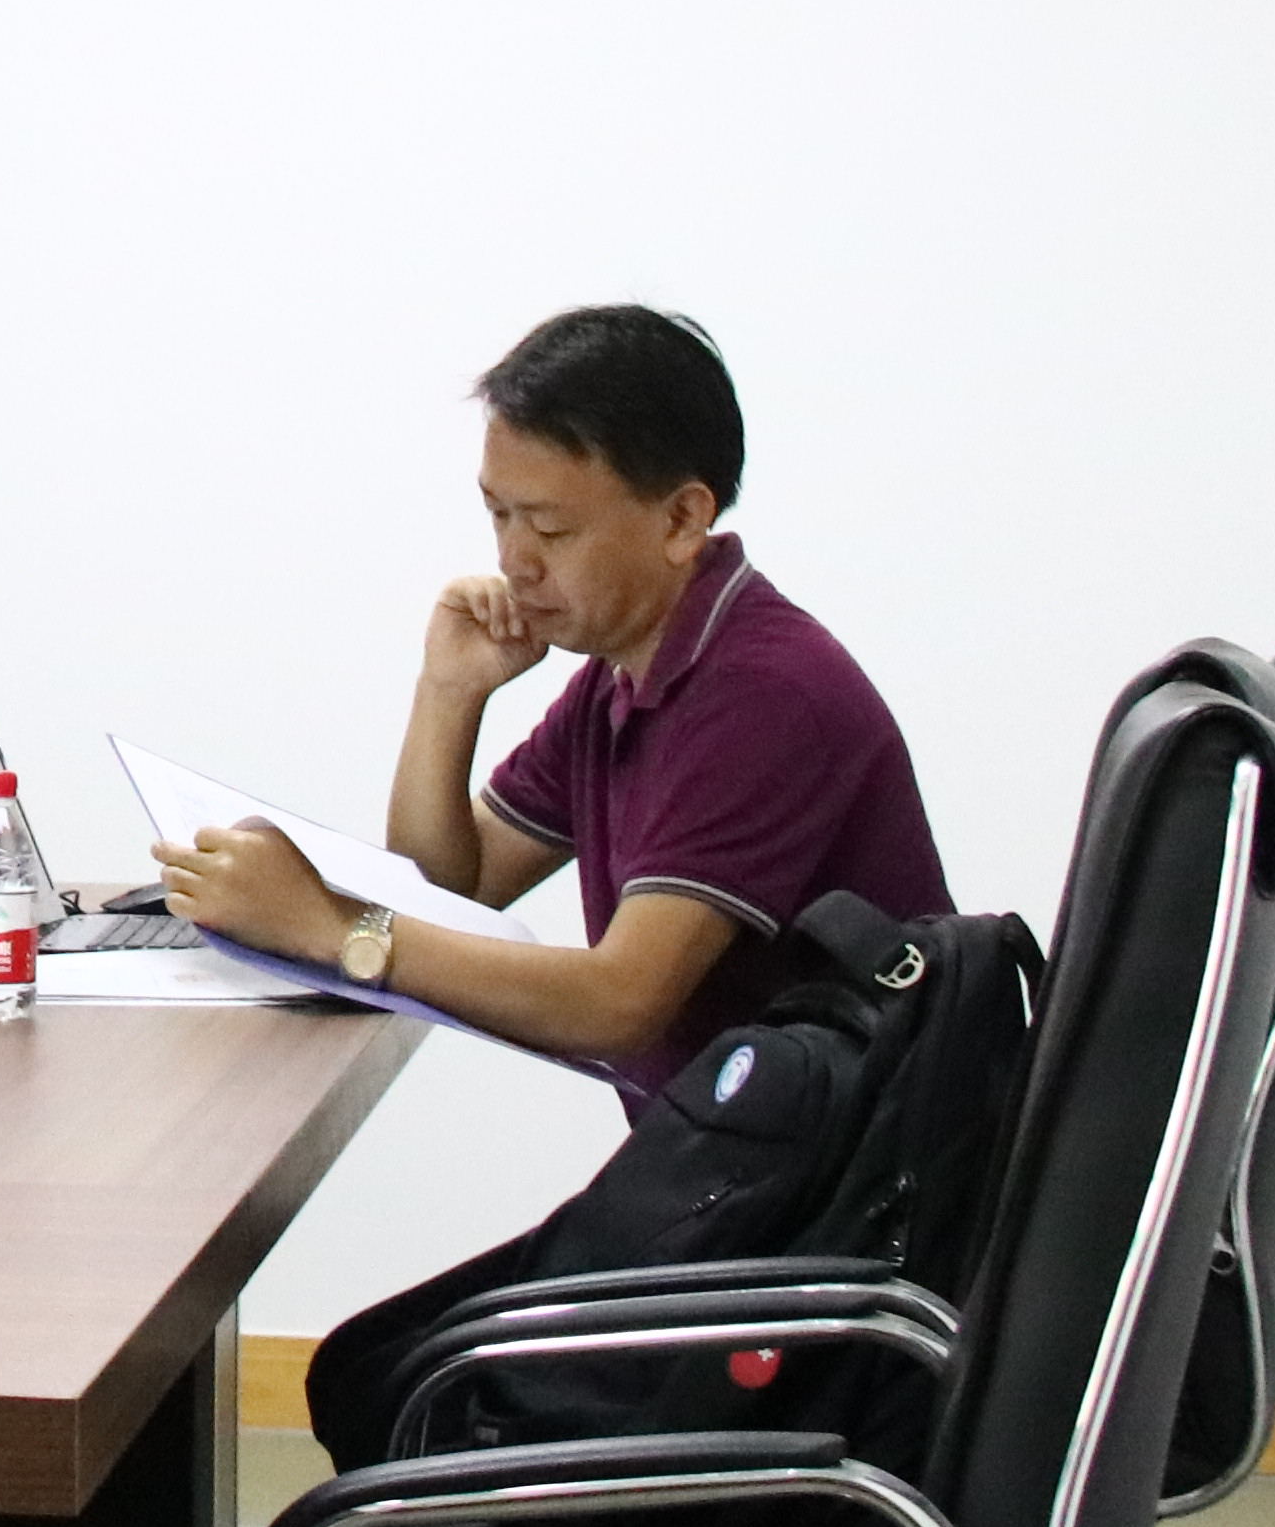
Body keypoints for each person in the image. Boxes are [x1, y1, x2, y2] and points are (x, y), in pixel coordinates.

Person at [157, 305, 942, 1092]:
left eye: (551, 530)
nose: (514, 560)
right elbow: (449, 892)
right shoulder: (622, 675)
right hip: (746, 1147)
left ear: (682, 519)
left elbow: (619, 1003)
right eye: (499, 514)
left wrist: (333, 931)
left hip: (852, 1163)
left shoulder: (761, 694)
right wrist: (448, 693)